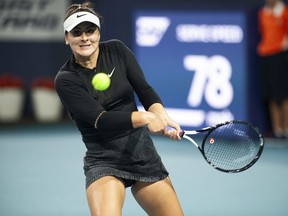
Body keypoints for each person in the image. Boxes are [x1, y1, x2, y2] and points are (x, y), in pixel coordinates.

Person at [54, 2, 184, 216]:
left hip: (141, 154)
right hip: (104, 160)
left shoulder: (117, 50)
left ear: (98, 32)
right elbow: (101, 120)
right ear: (67, 38)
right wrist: (145, 118)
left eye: (90, 30)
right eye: (76, 33)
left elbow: (144, 90)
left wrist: (161, 115)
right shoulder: (66, 79)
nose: (85, 37)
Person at [257, 0, 288, 138]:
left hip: (281, 56)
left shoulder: (285, 13)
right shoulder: (263, 13)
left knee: (284, 95)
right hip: (266, 57)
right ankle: (277, 130)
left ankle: (286, 128)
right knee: (271, 94)